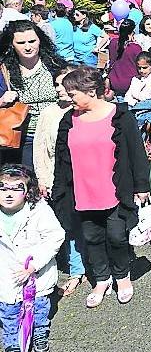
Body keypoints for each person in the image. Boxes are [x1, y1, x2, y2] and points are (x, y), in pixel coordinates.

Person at [52, 67, 150, 308]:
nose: (69, 99)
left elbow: (137, 153)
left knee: (117, 236)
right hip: (83, 192)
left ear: (90, 91)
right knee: (92, 238)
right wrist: (58, 189)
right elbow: (61, 160)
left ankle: (122, 276)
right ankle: (102, 279)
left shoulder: (121, 116)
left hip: (115, 191)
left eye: (72, 93)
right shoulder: (68, 120)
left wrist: (141, 186)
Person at [0, 164, 65, 352]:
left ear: (28, 192)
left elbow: (55, 236)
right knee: (8, 312)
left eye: (16, 188)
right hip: (7, 276)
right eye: (3, 187)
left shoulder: (39, 211)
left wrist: (34, 264)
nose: (8, 194)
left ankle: (39, 332)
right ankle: (11, 344)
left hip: (36, 276)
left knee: (39, 308)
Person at [32, 67, 87, 298]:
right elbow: (40, 149)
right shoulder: (48, 113)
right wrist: (43, 179)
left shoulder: (86, 111)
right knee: (68, 223)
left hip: (85, 177)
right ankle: (76, 269)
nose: (59, 89)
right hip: (59, 178)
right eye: (56, 84)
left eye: (64, 84)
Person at [0, 21, 67, 169]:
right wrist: (2, 100)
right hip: (22, 138)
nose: (28, 47)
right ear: (12, 45)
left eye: (32, 41)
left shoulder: (55, 66)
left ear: (40, 41)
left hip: (56, 133)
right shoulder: (4, 70)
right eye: (21, 43)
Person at [107, 19, 143, 100]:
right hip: (130, 83)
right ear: (132, 32)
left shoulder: (113, 42)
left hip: (114, 81)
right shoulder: (135, 47)